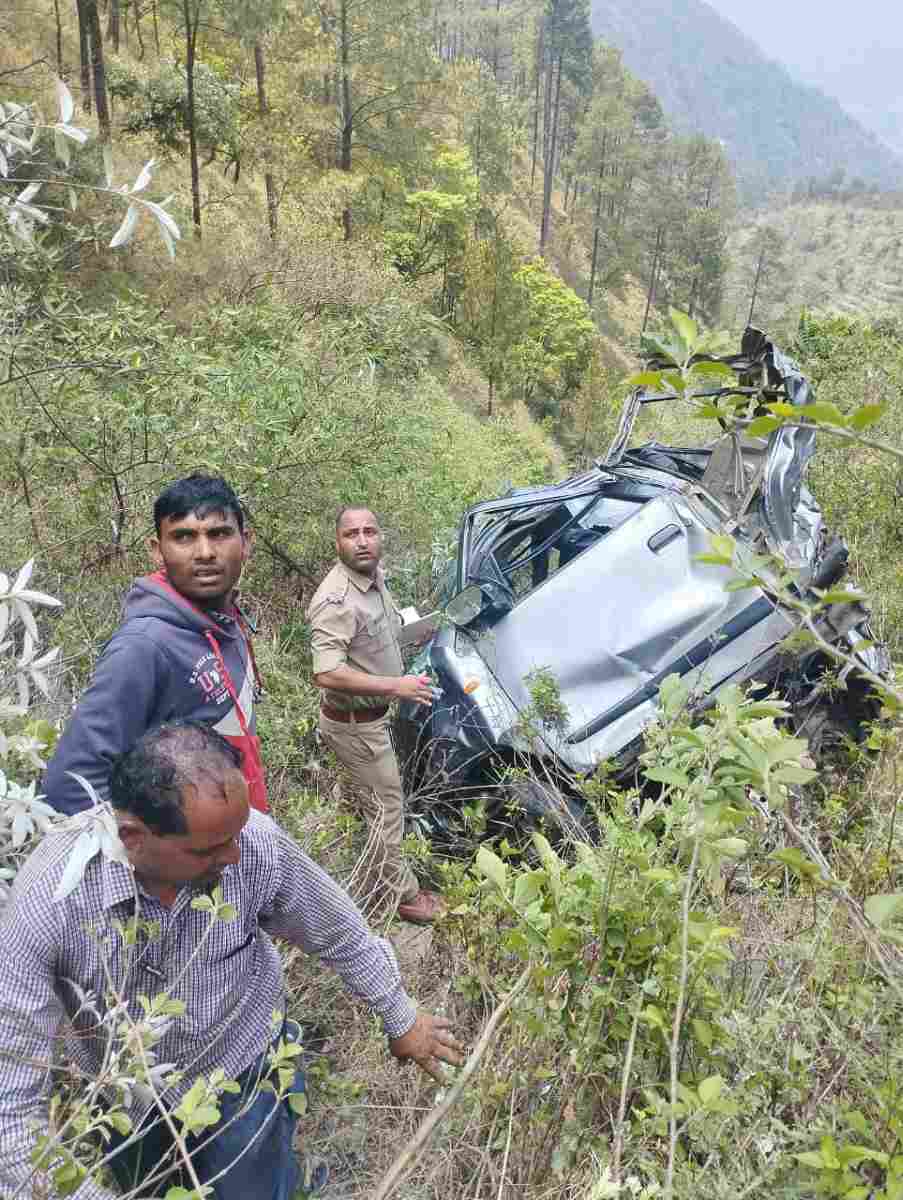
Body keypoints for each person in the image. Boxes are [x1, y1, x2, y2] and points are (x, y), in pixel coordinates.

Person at [0, 722, 464, 1200]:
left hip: (240, 1070)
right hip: (127, 1101)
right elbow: (11, 1115)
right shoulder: (50, 904)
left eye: (236, 836)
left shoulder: (251, 845)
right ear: (134, 837)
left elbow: (337, 929)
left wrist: (400, 1015)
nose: (234, 855)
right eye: (208, 849)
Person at [43, 474, 269, 815]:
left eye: (220, 533)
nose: (205, 552)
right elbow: (69, 787)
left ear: (246, 542)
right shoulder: (143, 647)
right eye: (183, 537)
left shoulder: (227, 619)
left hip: (239, 839)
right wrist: (156, 859)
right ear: (157, 550)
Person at [308, 507, 442, 926]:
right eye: (352, 534)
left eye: (369, 532)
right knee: (388, 810)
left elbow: (376, 637)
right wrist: (396, 686)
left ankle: (378, 854)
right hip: (357, 726)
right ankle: (405, 897)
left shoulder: (373, 579)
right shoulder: (336, 599)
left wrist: (415, 635)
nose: (362, 540)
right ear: (338, 543)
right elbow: (326, 671)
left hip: (373, 718)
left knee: (379, 801)